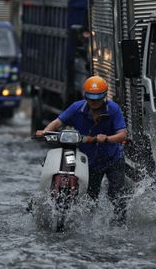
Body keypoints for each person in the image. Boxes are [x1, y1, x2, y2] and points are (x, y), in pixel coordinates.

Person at [36, 75, 128, 225]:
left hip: (113, 158)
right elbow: (58, 122)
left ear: (104, 96)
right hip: (90, 162)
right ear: (85, 96)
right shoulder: (76, 107)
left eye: (97, 98)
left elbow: (123, 134)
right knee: (90, 198)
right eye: (91, 98)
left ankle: (120, 225)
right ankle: (89, 225)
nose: (94, 102)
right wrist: (45, 132)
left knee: (117, 196)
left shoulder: (113, 109)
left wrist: (107, 138)